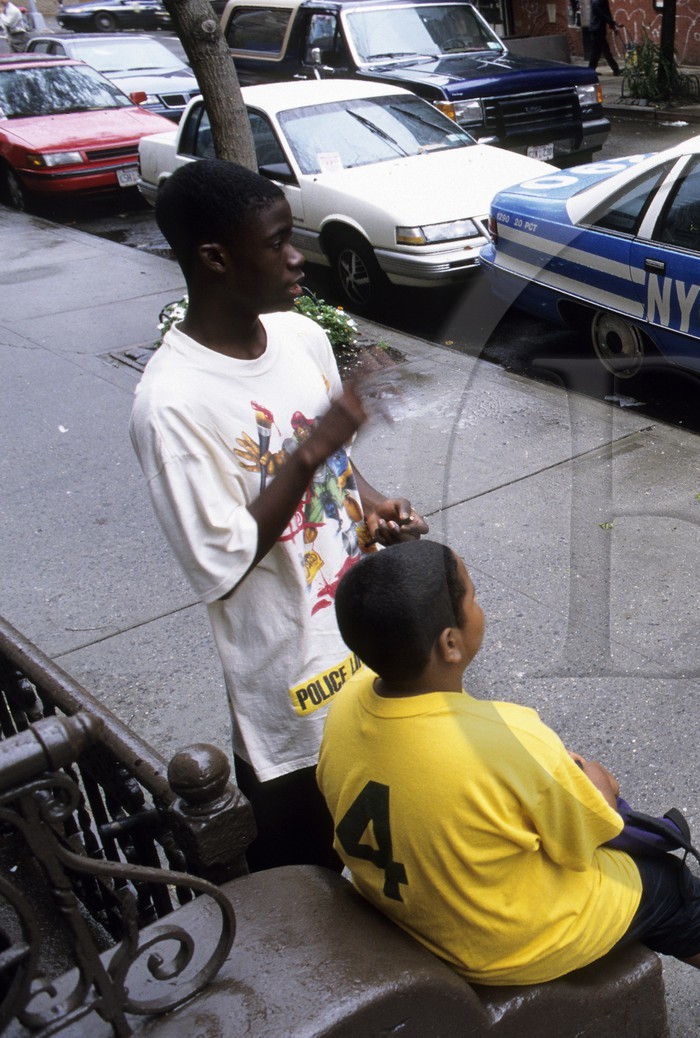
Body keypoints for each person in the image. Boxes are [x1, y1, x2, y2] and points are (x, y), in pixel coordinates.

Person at [318, 540, 700, 1036]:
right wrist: (598, 782)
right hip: (498, 946)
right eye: (474, 599)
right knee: (667, 881)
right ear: (450, 644)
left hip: (406, 904)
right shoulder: (507, 740)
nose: (481, 606)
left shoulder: (347, 704)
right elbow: (592, 831)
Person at [129, 159, 427, 872]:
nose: (297, 255)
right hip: (296, 703)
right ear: (215, 258)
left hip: (370, 648)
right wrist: (322, 439)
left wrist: (370, 502)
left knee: (406, 861)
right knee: (323, 886)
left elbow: (323, 463)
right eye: (276, 241)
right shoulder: (172, 406)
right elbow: (222, 561)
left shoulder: (298, 338)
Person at [585, 0, 621, 75]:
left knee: (596, 52)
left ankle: (590, 71)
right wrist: (614, 23)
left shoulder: (603, 1)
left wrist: (613, 26)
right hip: (597, 30)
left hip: (598, 29)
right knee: (605, 51)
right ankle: (616, 70)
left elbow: (608, 13)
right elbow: (603, 15)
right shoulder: (597, 2)